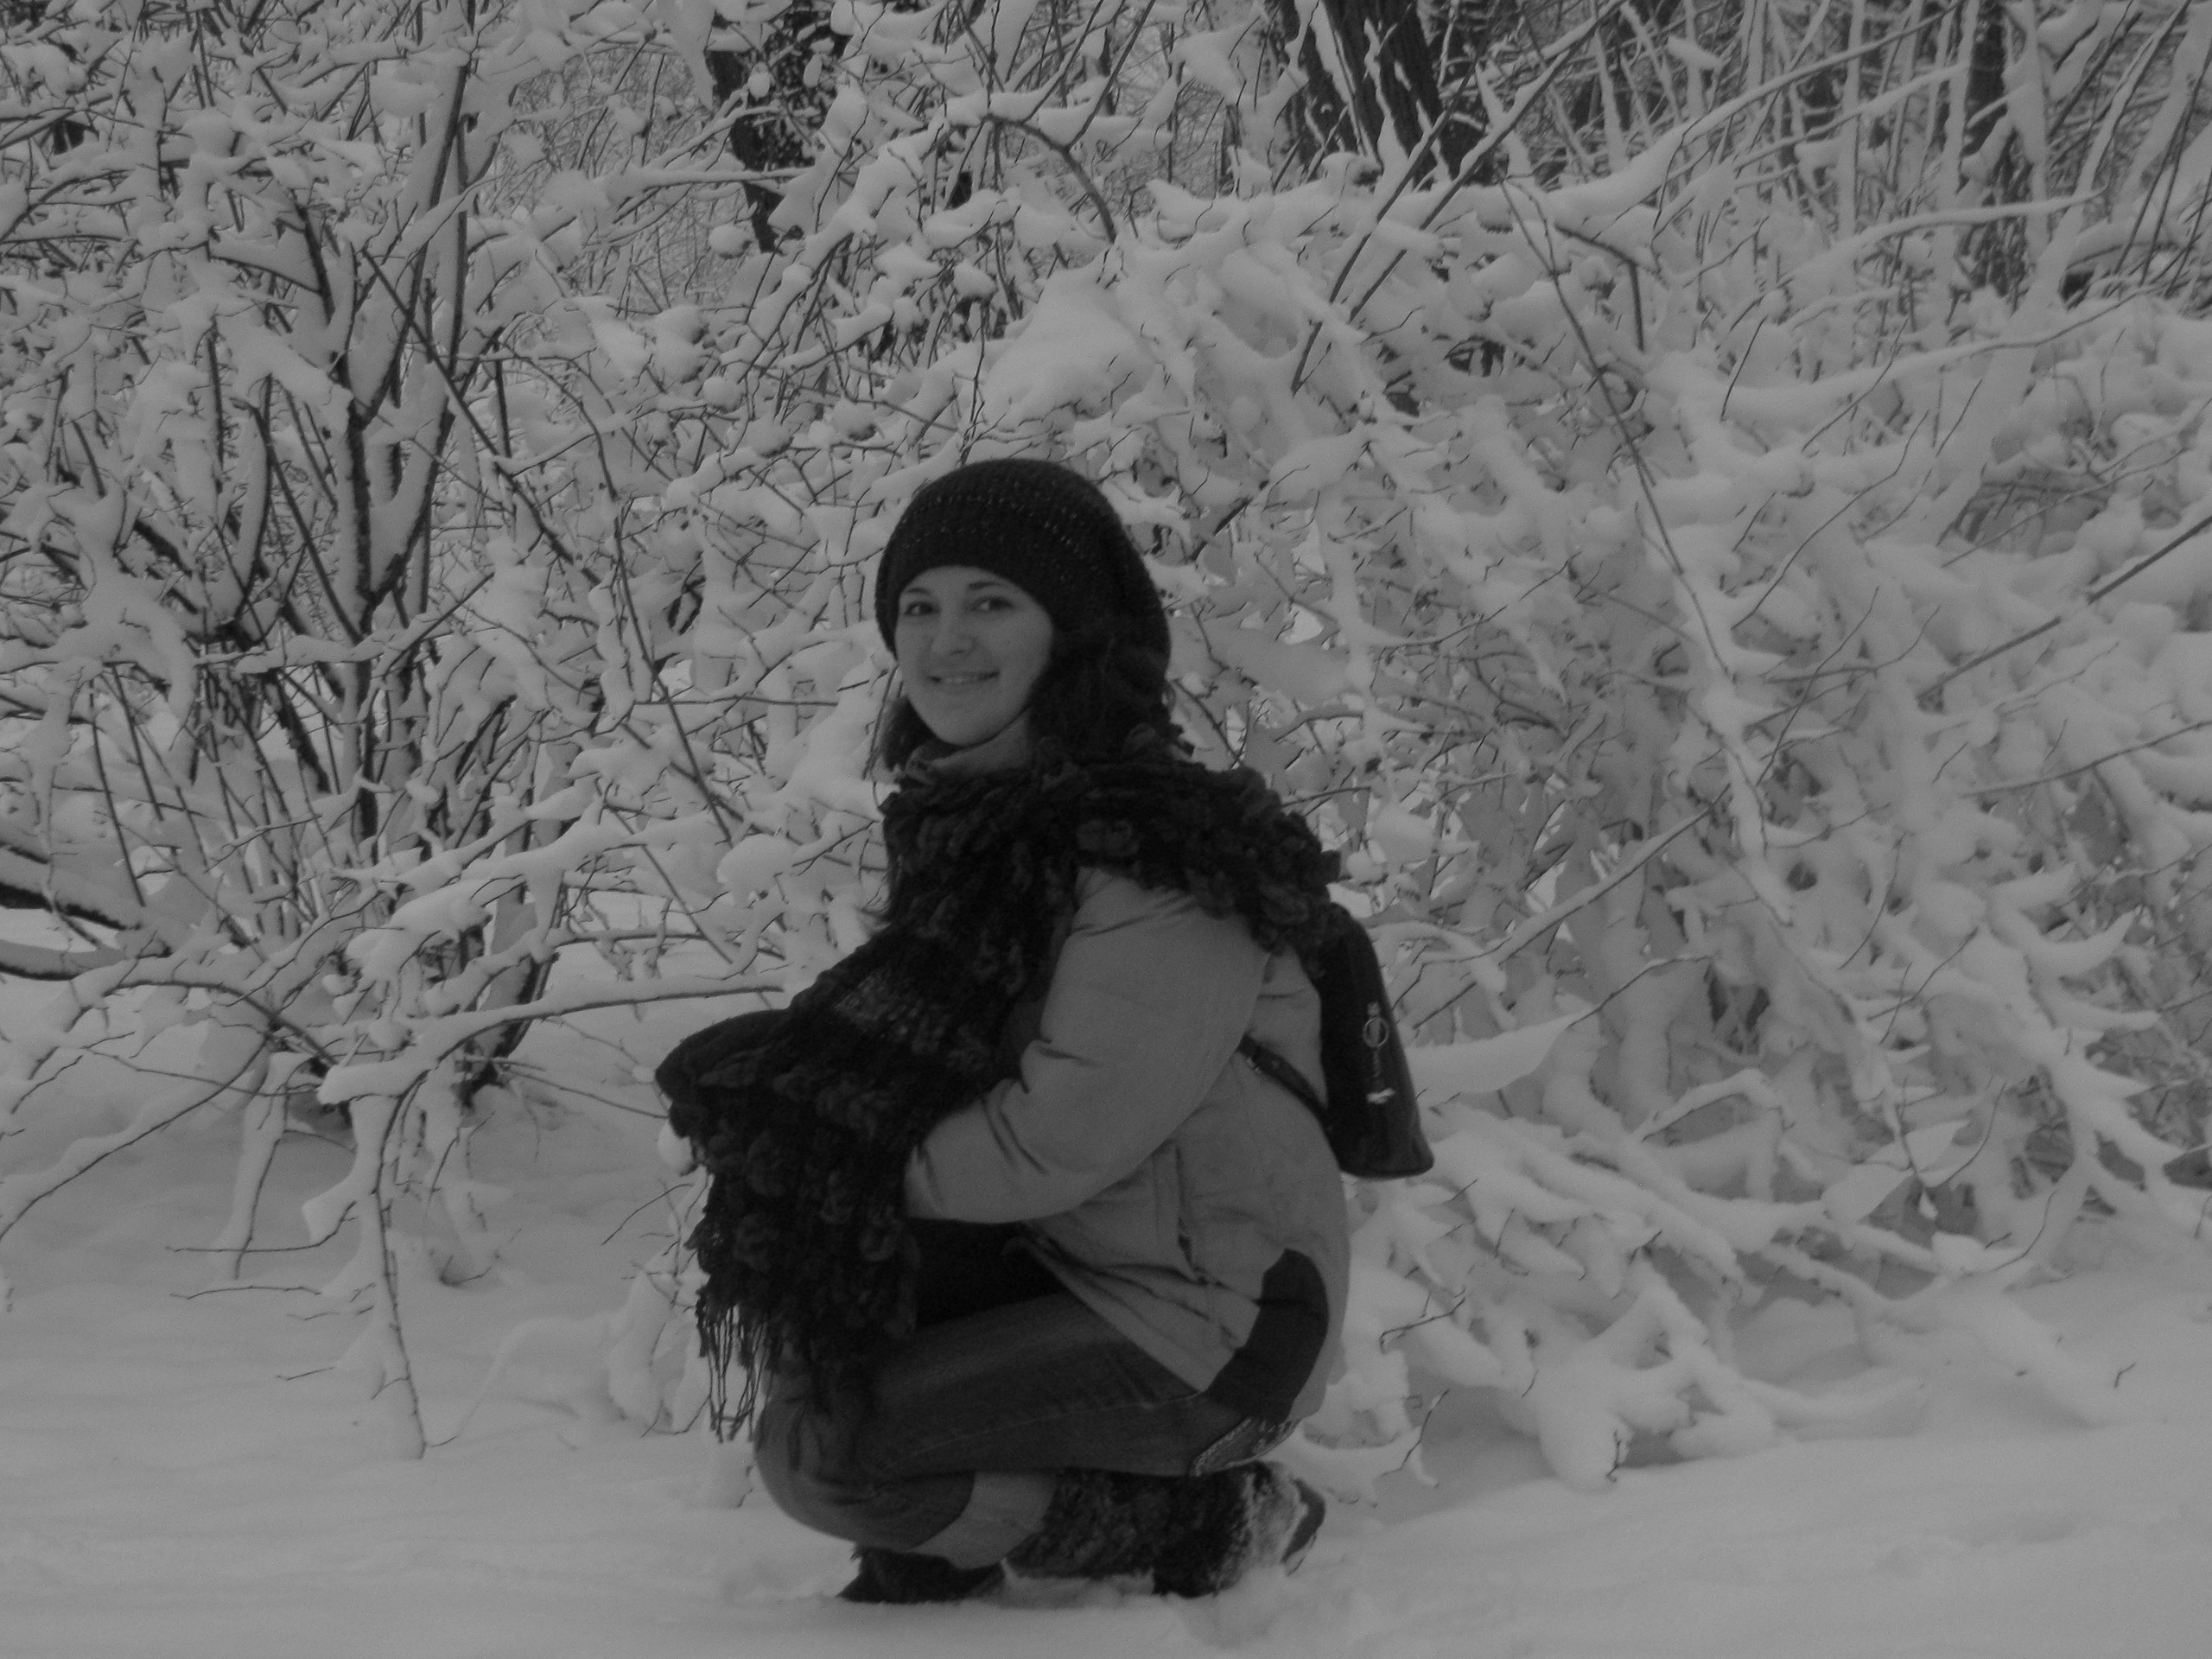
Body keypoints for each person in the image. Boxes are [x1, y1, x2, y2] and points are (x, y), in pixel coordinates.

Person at [660, 457, 1349, 1604]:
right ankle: (964, 1532)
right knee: (830, 1323)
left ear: (1074, 632)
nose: (946, 640)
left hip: (1212, 1324)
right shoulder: (984, 832)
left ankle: (1217, 1518)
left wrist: (826, 1152)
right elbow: (938, 1066)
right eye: (919, 606)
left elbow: (1053, 1142)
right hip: (1071, 1266)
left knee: (826, 1457)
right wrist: (786, 1083)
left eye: (992, 602)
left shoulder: (1159, 858)